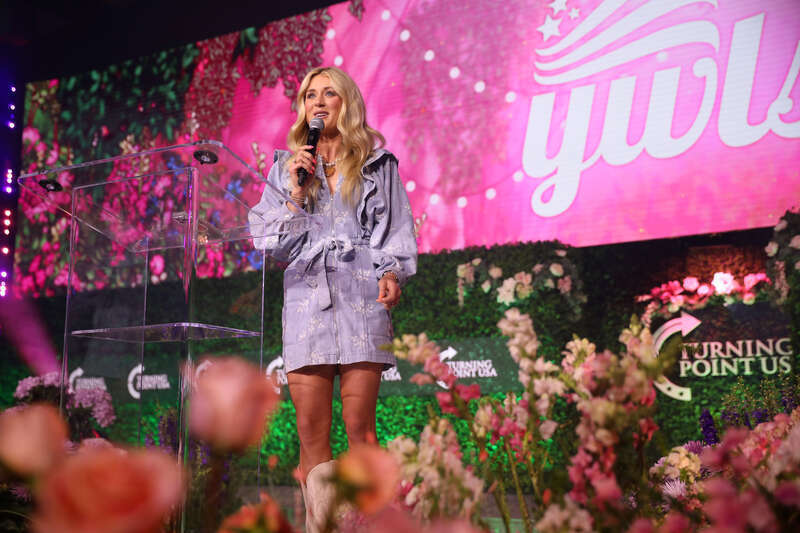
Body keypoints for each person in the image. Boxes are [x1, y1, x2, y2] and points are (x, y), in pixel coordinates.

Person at [249, 66, 417, 531]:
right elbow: (268, 241)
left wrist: (391, 271)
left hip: (361, 297)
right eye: (309, 96)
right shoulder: (286, 168)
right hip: (306, 299)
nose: (318, 103)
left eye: (329, 95)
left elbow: (396, 229)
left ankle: (377, 526)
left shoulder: (377, 164)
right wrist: (295, 196)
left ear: (347, 103)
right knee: (310, 436)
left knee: (361, 427)